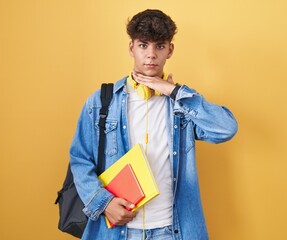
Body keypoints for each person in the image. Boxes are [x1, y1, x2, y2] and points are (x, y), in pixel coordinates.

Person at [70, 9, 238, 240]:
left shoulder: (181, 104)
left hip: (172, 229)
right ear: (131, 48)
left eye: (159, 46)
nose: (151, 55)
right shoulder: (101, 101)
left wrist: (174, 91)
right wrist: (104, 203)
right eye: (143, 45)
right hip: (118, 231)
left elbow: (226, 129)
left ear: (170, 50)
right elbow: (80, 158)